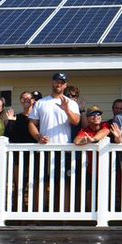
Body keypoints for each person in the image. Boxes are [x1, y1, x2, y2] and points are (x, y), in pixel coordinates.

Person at [28, 72, 82, 211]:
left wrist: (67, 110)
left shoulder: (71, 103)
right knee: (41, 183)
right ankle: (38, 216)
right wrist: (39, 137)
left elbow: (76, 121)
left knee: (64, 184)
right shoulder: (41, 103)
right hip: (44, 149)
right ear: (52, 82)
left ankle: (63, 216)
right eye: (56, 81)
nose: (59, 84)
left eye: (62, 82)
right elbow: (32, 124)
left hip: (65, 150)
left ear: (65, 85)